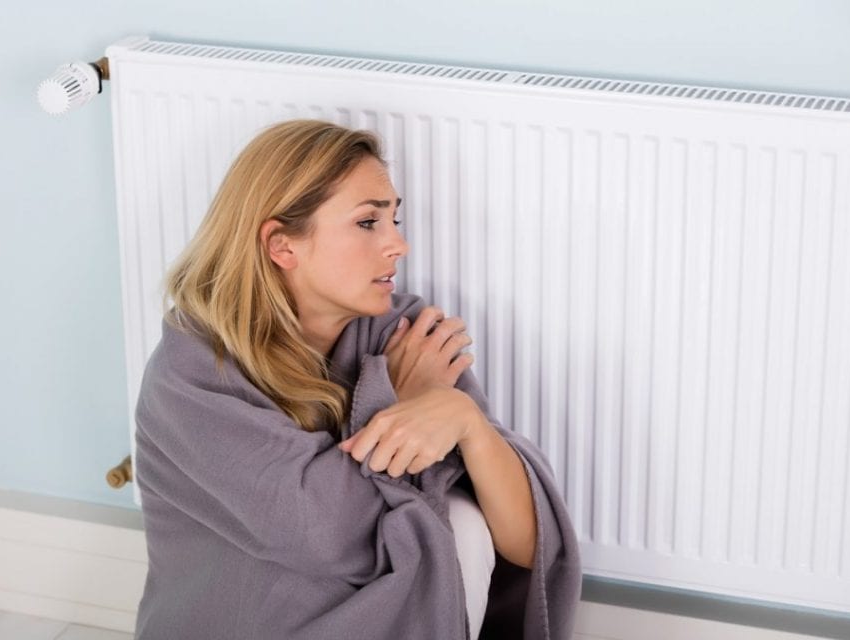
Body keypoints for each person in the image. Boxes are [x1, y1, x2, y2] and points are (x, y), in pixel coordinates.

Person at [132, 119, 582, 639]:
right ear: (282, 245)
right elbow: (329, 535)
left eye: (395, 219)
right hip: (244, 622)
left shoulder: (404, 334)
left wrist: (468, 425)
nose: (399, 245)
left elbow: (526, 546)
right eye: (369, 223)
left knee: (459, 514)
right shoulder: (193, 372)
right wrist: (400, 398)